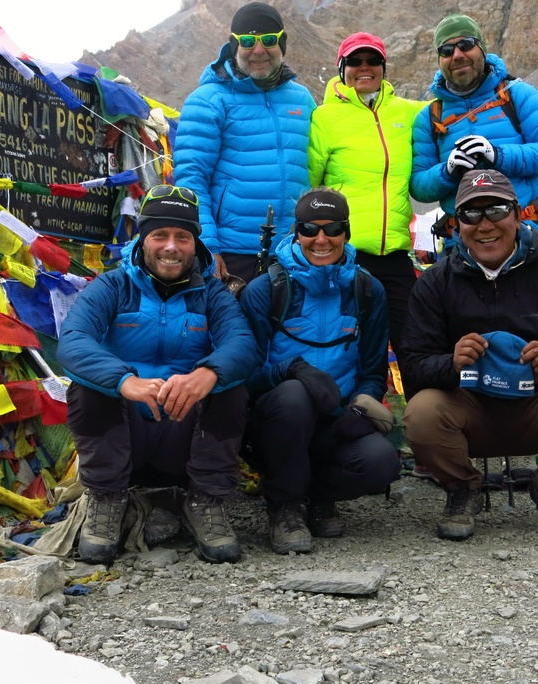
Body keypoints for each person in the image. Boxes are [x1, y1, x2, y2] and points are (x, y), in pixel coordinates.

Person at [401, 170, 538, 541]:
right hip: (468, 408)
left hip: (537, 405)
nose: (485, 225)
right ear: (456, 225)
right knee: (421, 413)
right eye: (470, 214)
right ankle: (462, 488)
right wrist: (451, 364)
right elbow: (415, 364)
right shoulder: (436, 282)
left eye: (497, 210)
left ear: (518, 215)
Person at [57, 185, 261, 565]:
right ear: (143, 239)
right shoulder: (113, 286)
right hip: (125, 434)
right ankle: (105, 498)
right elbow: (72, 341)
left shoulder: (212, 293)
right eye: (160, 235)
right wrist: (124, 380)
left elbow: (243, 344)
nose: (171, 246)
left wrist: (207, 373)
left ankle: (206, 501)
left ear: (194, 243)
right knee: (89, 387)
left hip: (182, 436)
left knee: (230, 386)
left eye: (182, 237)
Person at [240, 188, 401, 554]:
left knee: (382, 461)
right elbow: (245, 377)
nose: (321, 239)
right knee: (296, 396)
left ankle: (315, 497)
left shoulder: (368, 290)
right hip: (277, 421)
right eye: (310, 228)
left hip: (337, 419)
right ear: (296, 231)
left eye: (333, 229)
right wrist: (291, 371)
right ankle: (285, 505)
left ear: (346, 231)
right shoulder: (267, 289)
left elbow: (373, 369)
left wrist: (361, 405)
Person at [173, 2, 316, 284]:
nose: (258, 50)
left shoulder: (302, 99)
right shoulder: (207, 100)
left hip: (295, 252)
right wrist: (208, 247)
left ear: (282, 43)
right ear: (234, 45)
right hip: (232, 253)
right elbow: (192, 179)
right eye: (248, 41)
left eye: (269, 40)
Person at [308, 32, 424, 365]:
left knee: (413, 344)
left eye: (373, 60)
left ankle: (423, 414)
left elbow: (454, 111)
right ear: (341, 68)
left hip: (396, 254)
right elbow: (308, 187)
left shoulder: (408, 113)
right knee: (348, 350)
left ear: (383, 67)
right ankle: (350, 415)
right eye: (355, 61)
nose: (364, 67)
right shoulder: (325, 117)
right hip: (346, 256)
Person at [410, 13, 538, 240]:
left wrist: (497, 155)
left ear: (482, 48)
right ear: (439, 59)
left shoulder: (518, 94)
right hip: (462, 243)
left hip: (525, 235)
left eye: (466, 45)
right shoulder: (429, 117)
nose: (457, 55)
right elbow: (418, 186)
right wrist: (448, 171)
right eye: (446, 50)